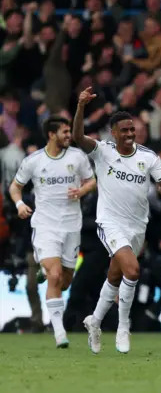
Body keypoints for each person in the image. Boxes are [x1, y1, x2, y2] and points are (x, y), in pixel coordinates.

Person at [73, 87, 161, 355]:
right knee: (132, 271)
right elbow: (77, 137)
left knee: (115, 274)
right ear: (114, 132)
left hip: (137, 226)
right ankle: (124, 327)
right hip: (109, 222)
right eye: (125, 130)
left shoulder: (148, 157)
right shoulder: (102, 151)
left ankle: (95, 321)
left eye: (132, 129)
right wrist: (80, 107)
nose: (131, 134)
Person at [8, 116, 96, 347]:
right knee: (55, 275)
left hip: (71, 226)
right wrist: (19, 205)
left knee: (64, 281)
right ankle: (59, 333)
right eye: (65, 132)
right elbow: (15, 187)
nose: (69, 135)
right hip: (46, 225)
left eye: (69, 132)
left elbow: (92, 180)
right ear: (51, 134)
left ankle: (44, 271)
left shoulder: (77, 157)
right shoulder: (34, 161)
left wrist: (82, 190)